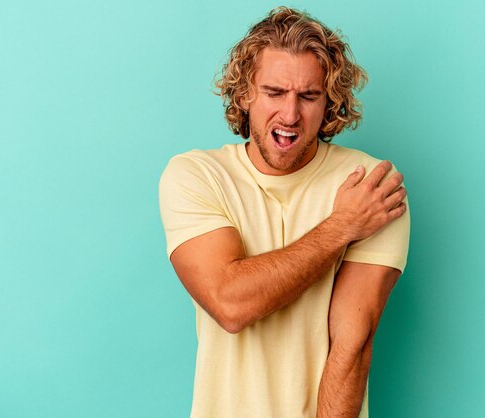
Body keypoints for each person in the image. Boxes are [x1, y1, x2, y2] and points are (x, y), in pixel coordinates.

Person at [158, 6, 410, 418]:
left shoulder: (370, 187)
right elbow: (230, 304)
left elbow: (352, 344)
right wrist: (341, 226)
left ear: (330, 101)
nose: (290, 115)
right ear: (245, 94)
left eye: (308, 96)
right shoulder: (197, 176)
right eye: (275, 92)